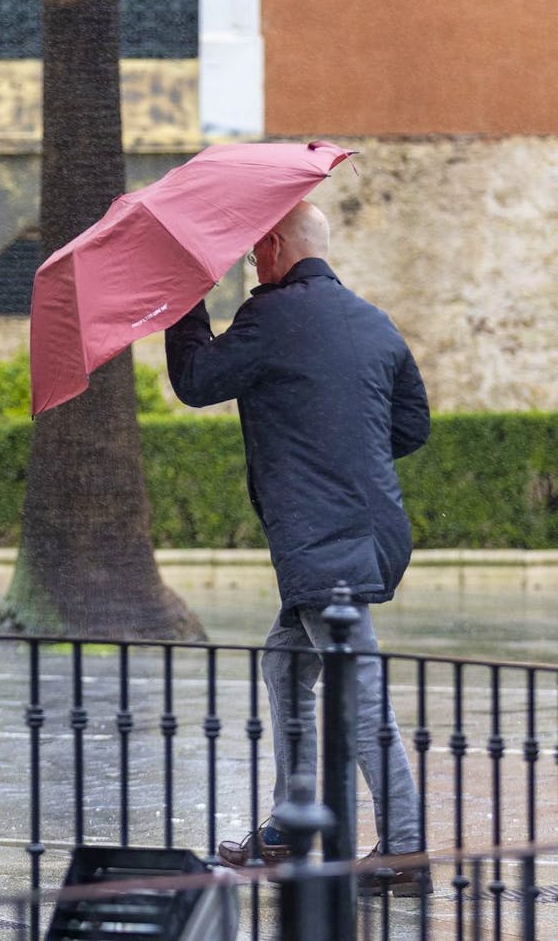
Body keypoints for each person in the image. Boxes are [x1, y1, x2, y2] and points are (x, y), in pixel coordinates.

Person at [164, 200, 431, 897]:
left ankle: (405, 849)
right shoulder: (374, 321)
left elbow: (196, 381)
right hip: (372, 532)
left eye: (259, 248)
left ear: (279, 247)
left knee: (360, 691)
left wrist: (184, 293)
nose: (255, 259)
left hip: (322, 540)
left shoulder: (273, 317)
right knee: (285, 662)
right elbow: (411, 427)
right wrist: (343, 447)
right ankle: (288, 828)